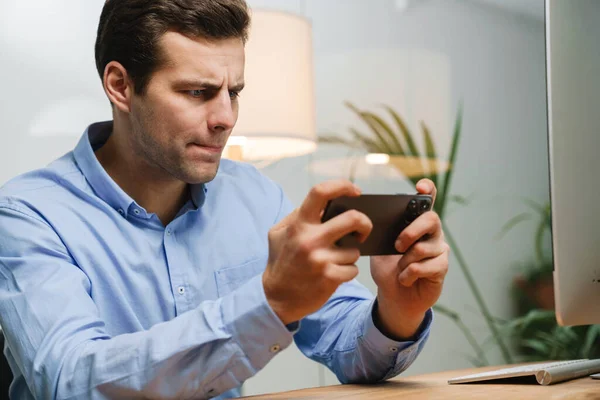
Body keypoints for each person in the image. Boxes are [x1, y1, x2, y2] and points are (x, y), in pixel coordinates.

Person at [0, 0, 449, 399]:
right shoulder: (28, 215)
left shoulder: (255, 196)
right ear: (120, 86)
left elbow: (351, 351)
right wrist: (270, 302)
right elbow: (70, 382)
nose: (226, 118)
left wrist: (396, 310)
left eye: (233, 92)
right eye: (197, 92)